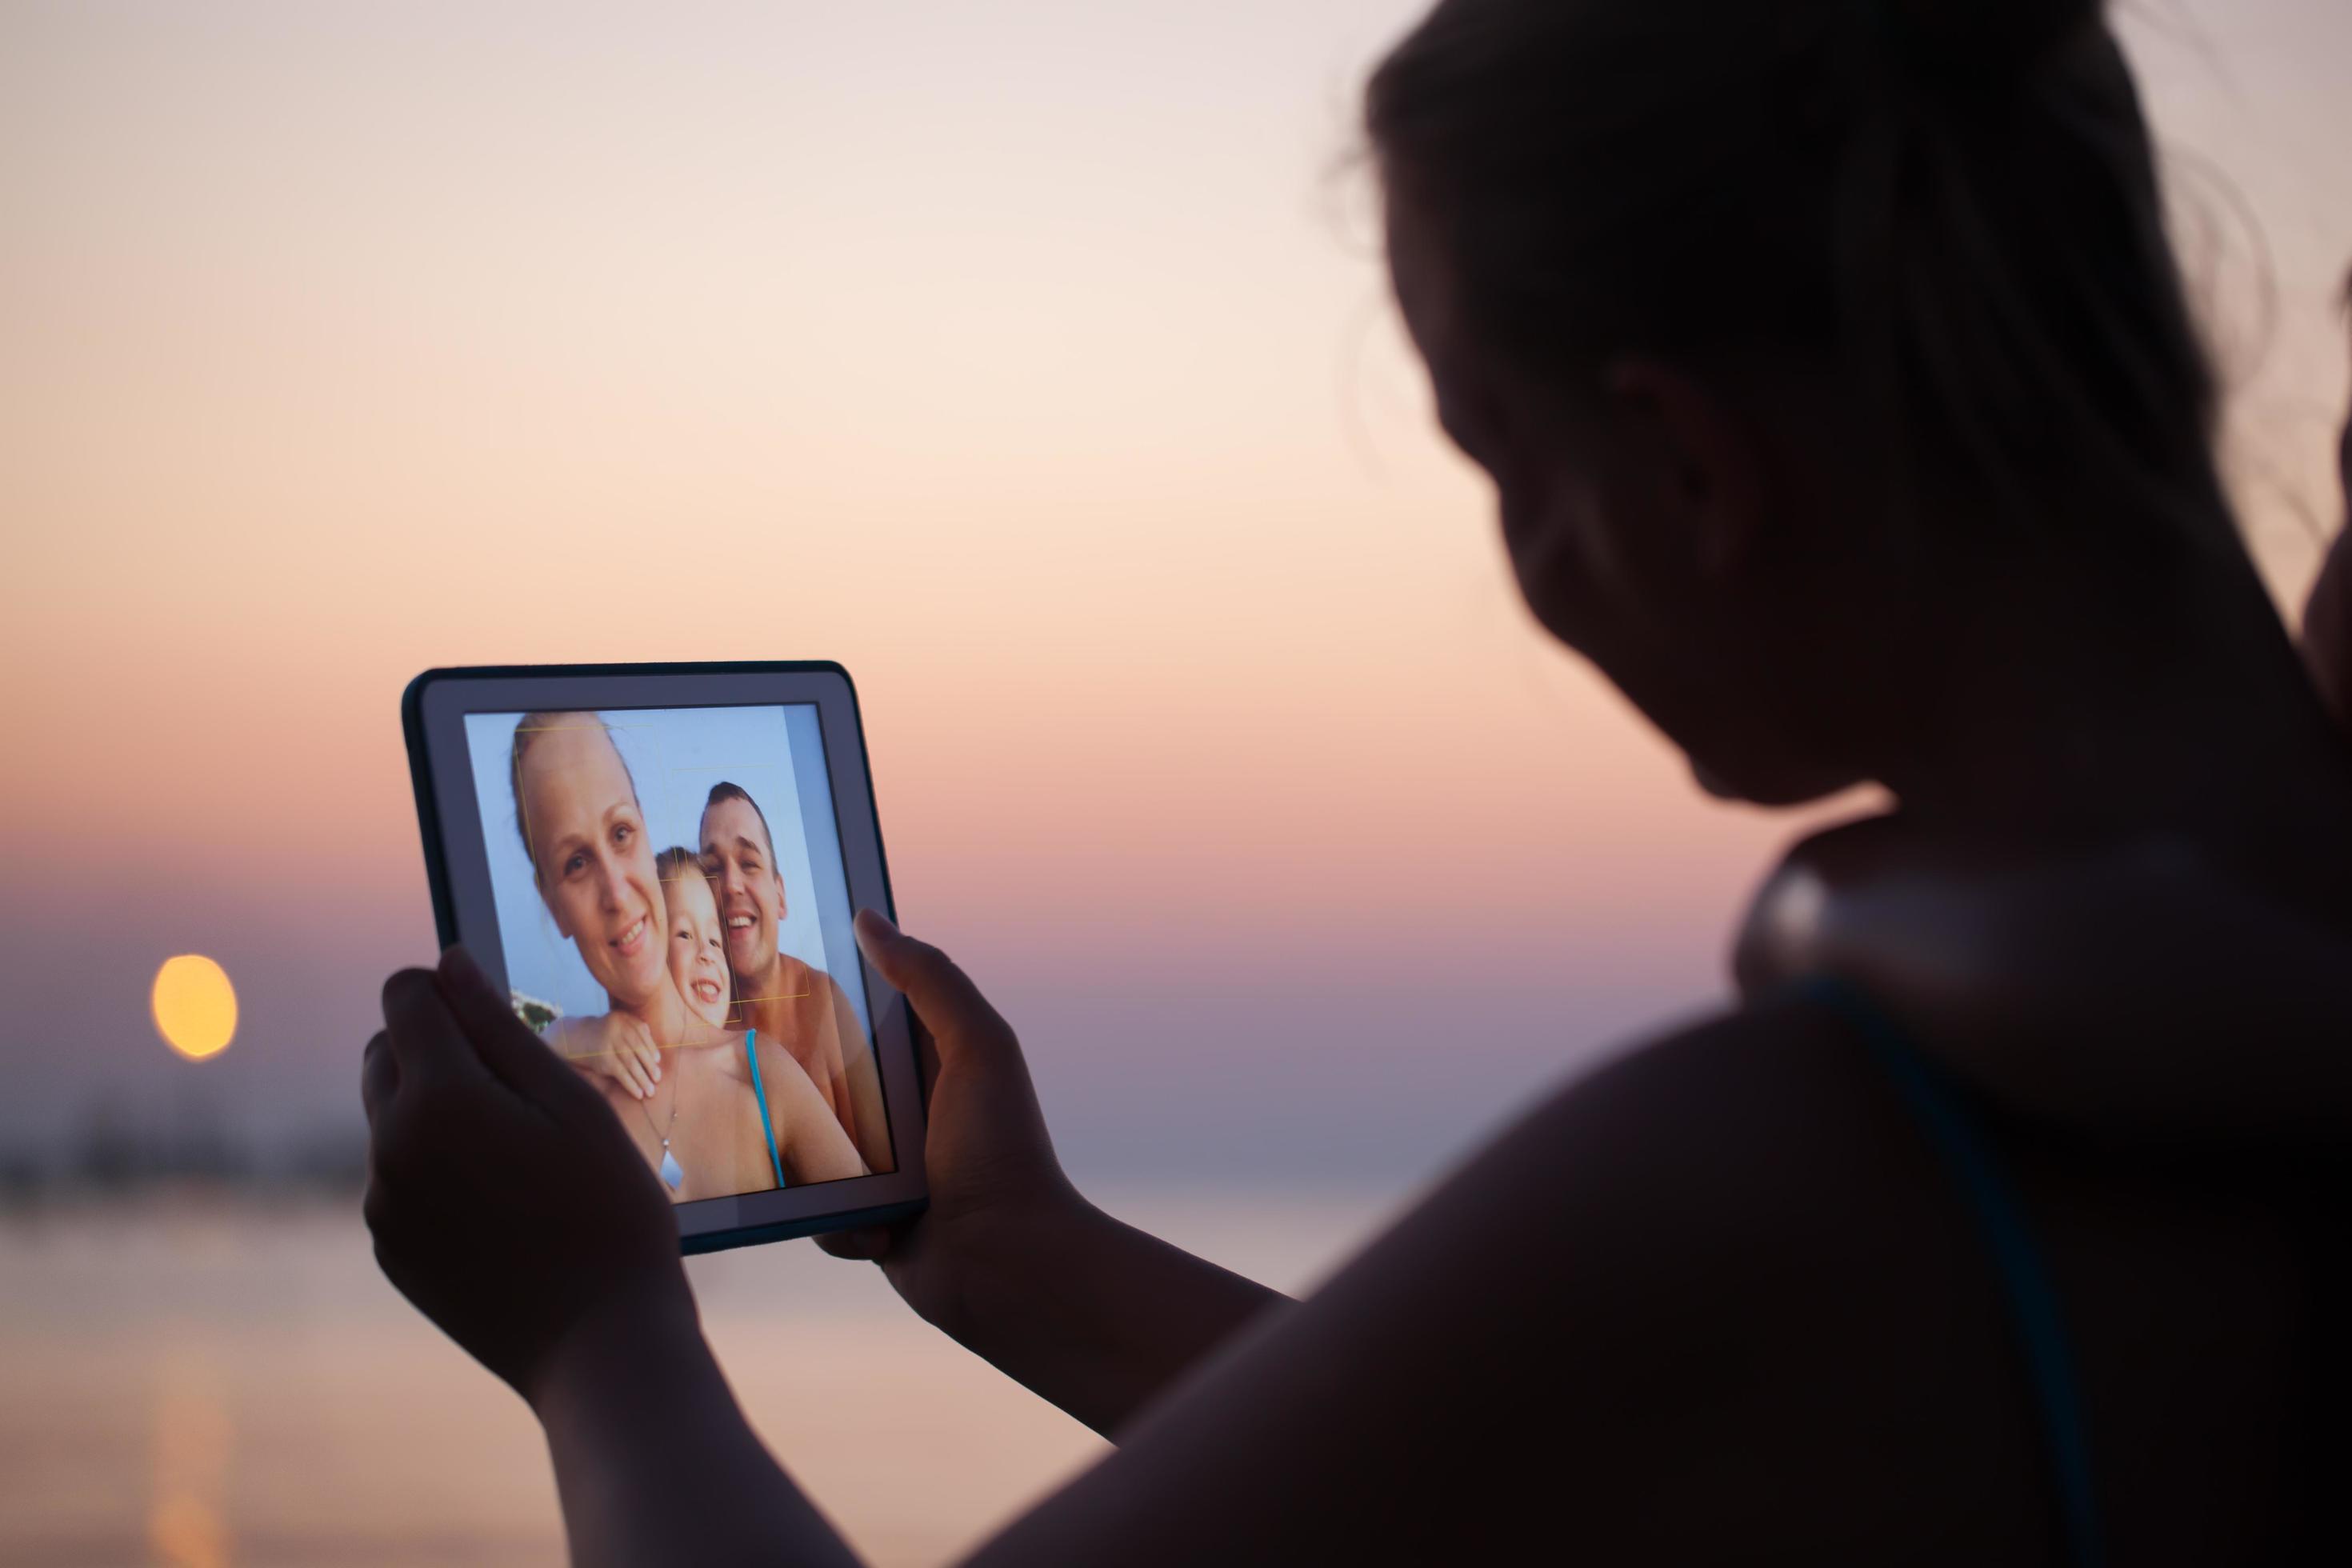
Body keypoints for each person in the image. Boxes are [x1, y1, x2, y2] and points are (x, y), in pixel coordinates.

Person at [360, 1, 2352, 1561]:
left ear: (1685, 468)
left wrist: (598, 1347)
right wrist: (1023, 1261)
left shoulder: (1809, 1163)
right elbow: (1539, 1496)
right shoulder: (2244, 1002)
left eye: (1497, 454)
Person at [512, 714, 862, 1198]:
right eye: (575, 862)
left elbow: (873, 1226)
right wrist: (565, 1037)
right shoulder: (550, 1096)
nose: (617, 892)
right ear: (552, 903)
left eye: (620, 833)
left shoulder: (760, 1069)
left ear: (644, 827)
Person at [700, 781, 893, 1174]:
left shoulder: (823, 999)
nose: (731, 884)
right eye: (713, 869)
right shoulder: (696, 1023)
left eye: (749, 863)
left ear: (781, 896)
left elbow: (884, 1173)